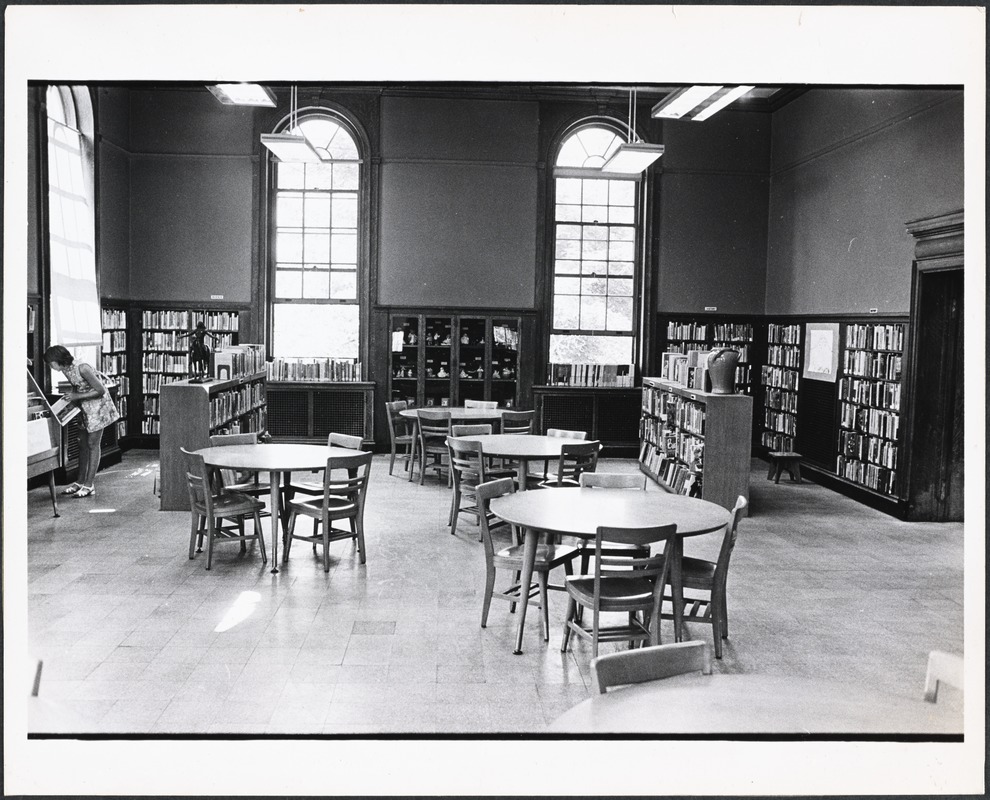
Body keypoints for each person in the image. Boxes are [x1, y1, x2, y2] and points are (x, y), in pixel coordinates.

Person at [43, 345, 120, 498]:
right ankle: (80, 482)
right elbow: (77, 387)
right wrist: (72, 402)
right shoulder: (65, 370)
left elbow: (101, 390)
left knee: (92, 444)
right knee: (82, 444)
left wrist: (75, 397)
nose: (50, 367)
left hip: (98, 408)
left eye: (51, 363)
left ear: (58, 360)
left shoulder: (82, 368)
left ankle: (89, 485)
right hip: (84, 408)